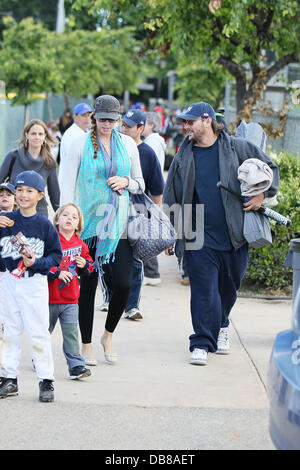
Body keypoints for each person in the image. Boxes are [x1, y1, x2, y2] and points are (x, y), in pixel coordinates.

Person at [163, 101, 279, 366]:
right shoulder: (185, 153)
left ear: (207, 120)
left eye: (191, 121)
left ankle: (223, 323)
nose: (186, 126)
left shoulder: (236, 147)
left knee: (229, 288)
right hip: (198, 234)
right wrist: (172, 230)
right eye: (185, 122)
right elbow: (173, 191)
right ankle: (202, 341)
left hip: (234, 234)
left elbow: (271, 169)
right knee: (204, 290)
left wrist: (262, 195)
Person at [59, 94, 145, 365]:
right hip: (87, 226)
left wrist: (126, 181)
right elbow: (67, 185)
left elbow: (141, 183)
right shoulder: (77, 144)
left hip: (117, 225)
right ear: (94, 117)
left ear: (118, 119)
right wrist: (65, 226)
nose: (107, 123)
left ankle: (107, 335)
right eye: (102, 118)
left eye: (112, 119)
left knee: (123, 283)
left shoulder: (128, 144)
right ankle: (86, 345)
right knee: (87, 285)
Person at [0, 170, 62, 401]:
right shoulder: (5, 220)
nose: (23, 194)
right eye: (19, 190)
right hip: (9, 281)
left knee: (38, 332)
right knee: (9, 331)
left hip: (34, 282)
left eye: (29, 191)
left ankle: (46, 380)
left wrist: (37, 262)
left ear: (39, 195)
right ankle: (9, 379)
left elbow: (56, 257)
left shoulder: (44, 225)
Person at [120, 109, 165, 320]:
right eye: (124, 125)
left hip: (137, 213)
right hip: (110, 211)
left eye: (130, 126)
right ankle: (110, 298)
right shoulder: (114, 147)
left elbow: (157, 191)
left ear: (141, 128)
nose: (125, 129)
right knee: (107, 257)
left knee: (135, 260)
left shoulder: (148, 154)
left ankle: (132, 306)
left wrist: (157, 220)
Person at [48, 203, 93, 380]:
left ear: (78, 225)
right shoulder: (51, 241)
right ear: (57, 219)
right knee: (44, 332)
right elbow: (43, 265)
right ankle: (39, 358)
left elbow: (89, 266)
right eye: (65, 215)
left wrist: (85, 265)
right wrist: (57, 273)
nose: (69, 219)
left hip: (70, 300)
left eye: (74, 217)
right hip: (50, 298)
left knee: (71, 334)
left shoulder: (81, 245)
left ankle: (76, 366)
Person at [0, 119, 60, 218]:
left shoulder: (49, 162)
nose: (37, 137)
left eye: (40, 134)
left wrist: (60, 216)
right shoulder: (13, 156)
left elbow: (55, 194)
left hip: (39, 214)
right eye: (33, 134)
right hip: (14, 213)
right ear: (27, 135)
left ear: (45, 136)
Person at [142, 111, 166, 287]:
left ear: (151, 125)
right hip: (150, 191)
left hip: (149, 192)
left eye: (144, 123)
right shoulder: (156, 141)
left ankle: (151, 271)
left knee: (145, 232)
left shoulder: (152, 143)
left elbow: (152, 170)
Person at [0, 182, 16, 366]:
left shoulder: (19, 218)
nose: (4, 196)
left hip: (12, 274)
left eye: (8, 194)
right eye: (1, 194)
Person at [58, 103, 92, 184]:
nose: (87, 118)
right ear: (75, 117)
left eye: (89, 115)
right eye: (84, 115)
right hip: (70, 182)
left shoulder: (87, 132)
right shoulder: (71, 135)